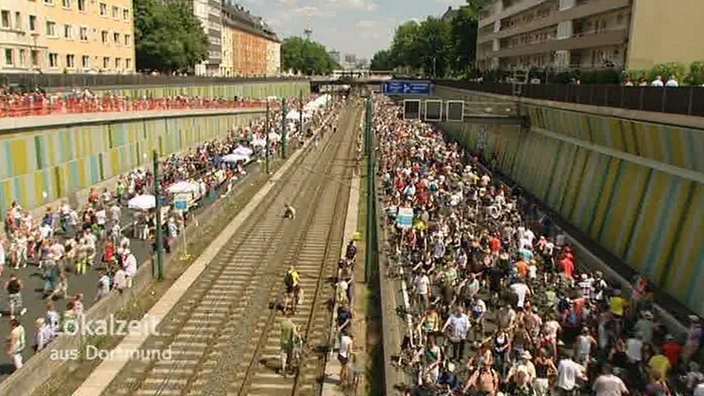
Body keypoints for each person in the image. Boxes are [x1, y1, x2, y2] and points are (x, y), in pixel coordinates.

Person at [279, 311, 298, 377]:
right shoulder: (292, 325)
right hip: (289, 342)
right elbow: (295, 334)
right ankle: (290, 368)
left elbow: (281, 331)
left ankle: (283, 368)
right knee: (290, 355)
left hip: (282, 342)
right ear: (291, 317)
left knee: (283, 355)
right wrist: (299, 335)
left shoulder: (282, 323)